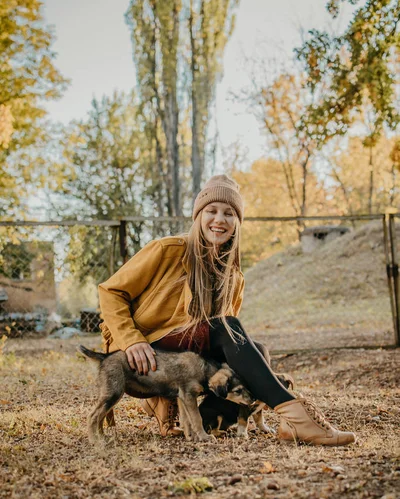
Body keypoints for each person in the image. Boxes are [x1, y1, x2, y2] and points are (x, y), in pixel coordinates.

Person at [98, 175, 355, 446]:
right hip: (141, 358)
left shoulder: (234, 278)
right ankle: (297, 416)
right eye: (211, 211)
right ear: (199, 216)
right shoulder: (168, 250)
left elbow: (228, 348)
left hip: (184, 361)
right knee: (226, 326)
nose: (219, 219)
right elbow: (110, 291)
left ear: (237, 223)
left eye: (229, 213)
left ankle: (208, 422)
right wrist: (131, 340)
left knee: (259, 350)